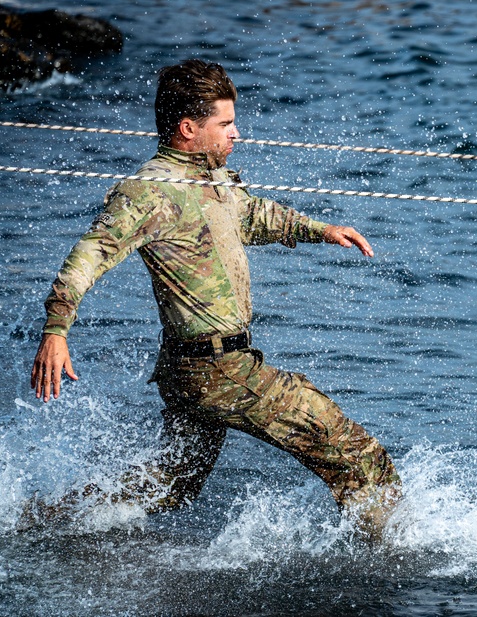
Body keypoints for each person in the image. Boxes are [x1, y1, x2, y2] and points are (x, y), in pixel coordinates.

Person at [28, 59, 401, 536]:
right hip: (216, 368)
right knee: (351, 450)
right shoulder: (149, 192)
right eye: (224, 124)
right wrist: (56, 332)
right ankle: (395, 550)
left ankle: (42, 520)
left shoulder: (210, 179)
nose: (236, 133)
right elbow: (88, 255)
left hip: (192, 368)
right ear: (188, 128)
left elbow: (254, 216)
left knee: (168, 483)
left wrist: (322, 230)